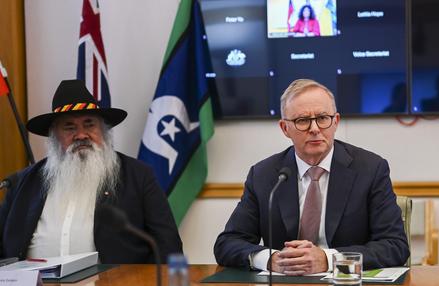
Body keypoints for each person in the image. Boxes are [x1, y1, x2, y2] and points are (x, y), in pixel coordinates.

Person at [214, 79, 409, 275]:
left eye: (323, 118)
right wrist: (271, 259)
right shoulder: (264, 175)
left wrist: (328, 259)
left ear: (336, 122)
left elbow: (395, 246)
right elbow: (227, 244)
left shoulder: (370, 169)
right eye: (302, 120)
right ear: (284, 128)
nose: (315, 128)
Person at [0, 80, 182, 264]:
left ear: (103, 130)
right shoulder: (22, 183)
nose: (81, 135)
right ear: (54, 136)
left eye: (89, 125)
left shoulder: (138, 176)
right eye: (69, 127)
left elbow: (168, 245)